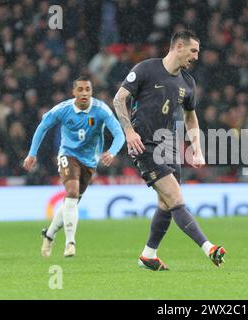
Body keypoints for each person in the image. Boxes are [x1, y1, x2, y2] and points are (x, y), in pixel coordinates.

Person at [113, 30, 226, 271]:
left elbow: (190, 117)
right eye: (193, 50)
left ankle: (148, 255)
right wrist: (128, 132)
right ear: (179, 47)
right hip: (143, 145)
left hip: (169, 146)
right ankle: (210, 249)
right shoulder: (146, 69)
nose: (196, 56)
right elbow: (118, 99)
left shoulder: (188, 83)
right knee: (175, 199)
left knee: (166, 204)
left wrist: (197, 149)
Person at [23, 76, 125, 257]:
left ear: (91, 92)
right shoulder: (63, 109)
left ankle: (49, 235)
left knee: (71, 203)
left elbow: (119, 134)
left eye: (88, 89)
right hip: (67, 155)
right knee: (71, 192)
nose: (84, 93)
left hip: (89, 162)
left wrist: (112, 152)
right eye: (81, 90)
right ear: (74, 92)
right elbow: (42, 127)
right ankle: (70, 242)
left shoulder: (101, 110)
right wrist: (32, 154)